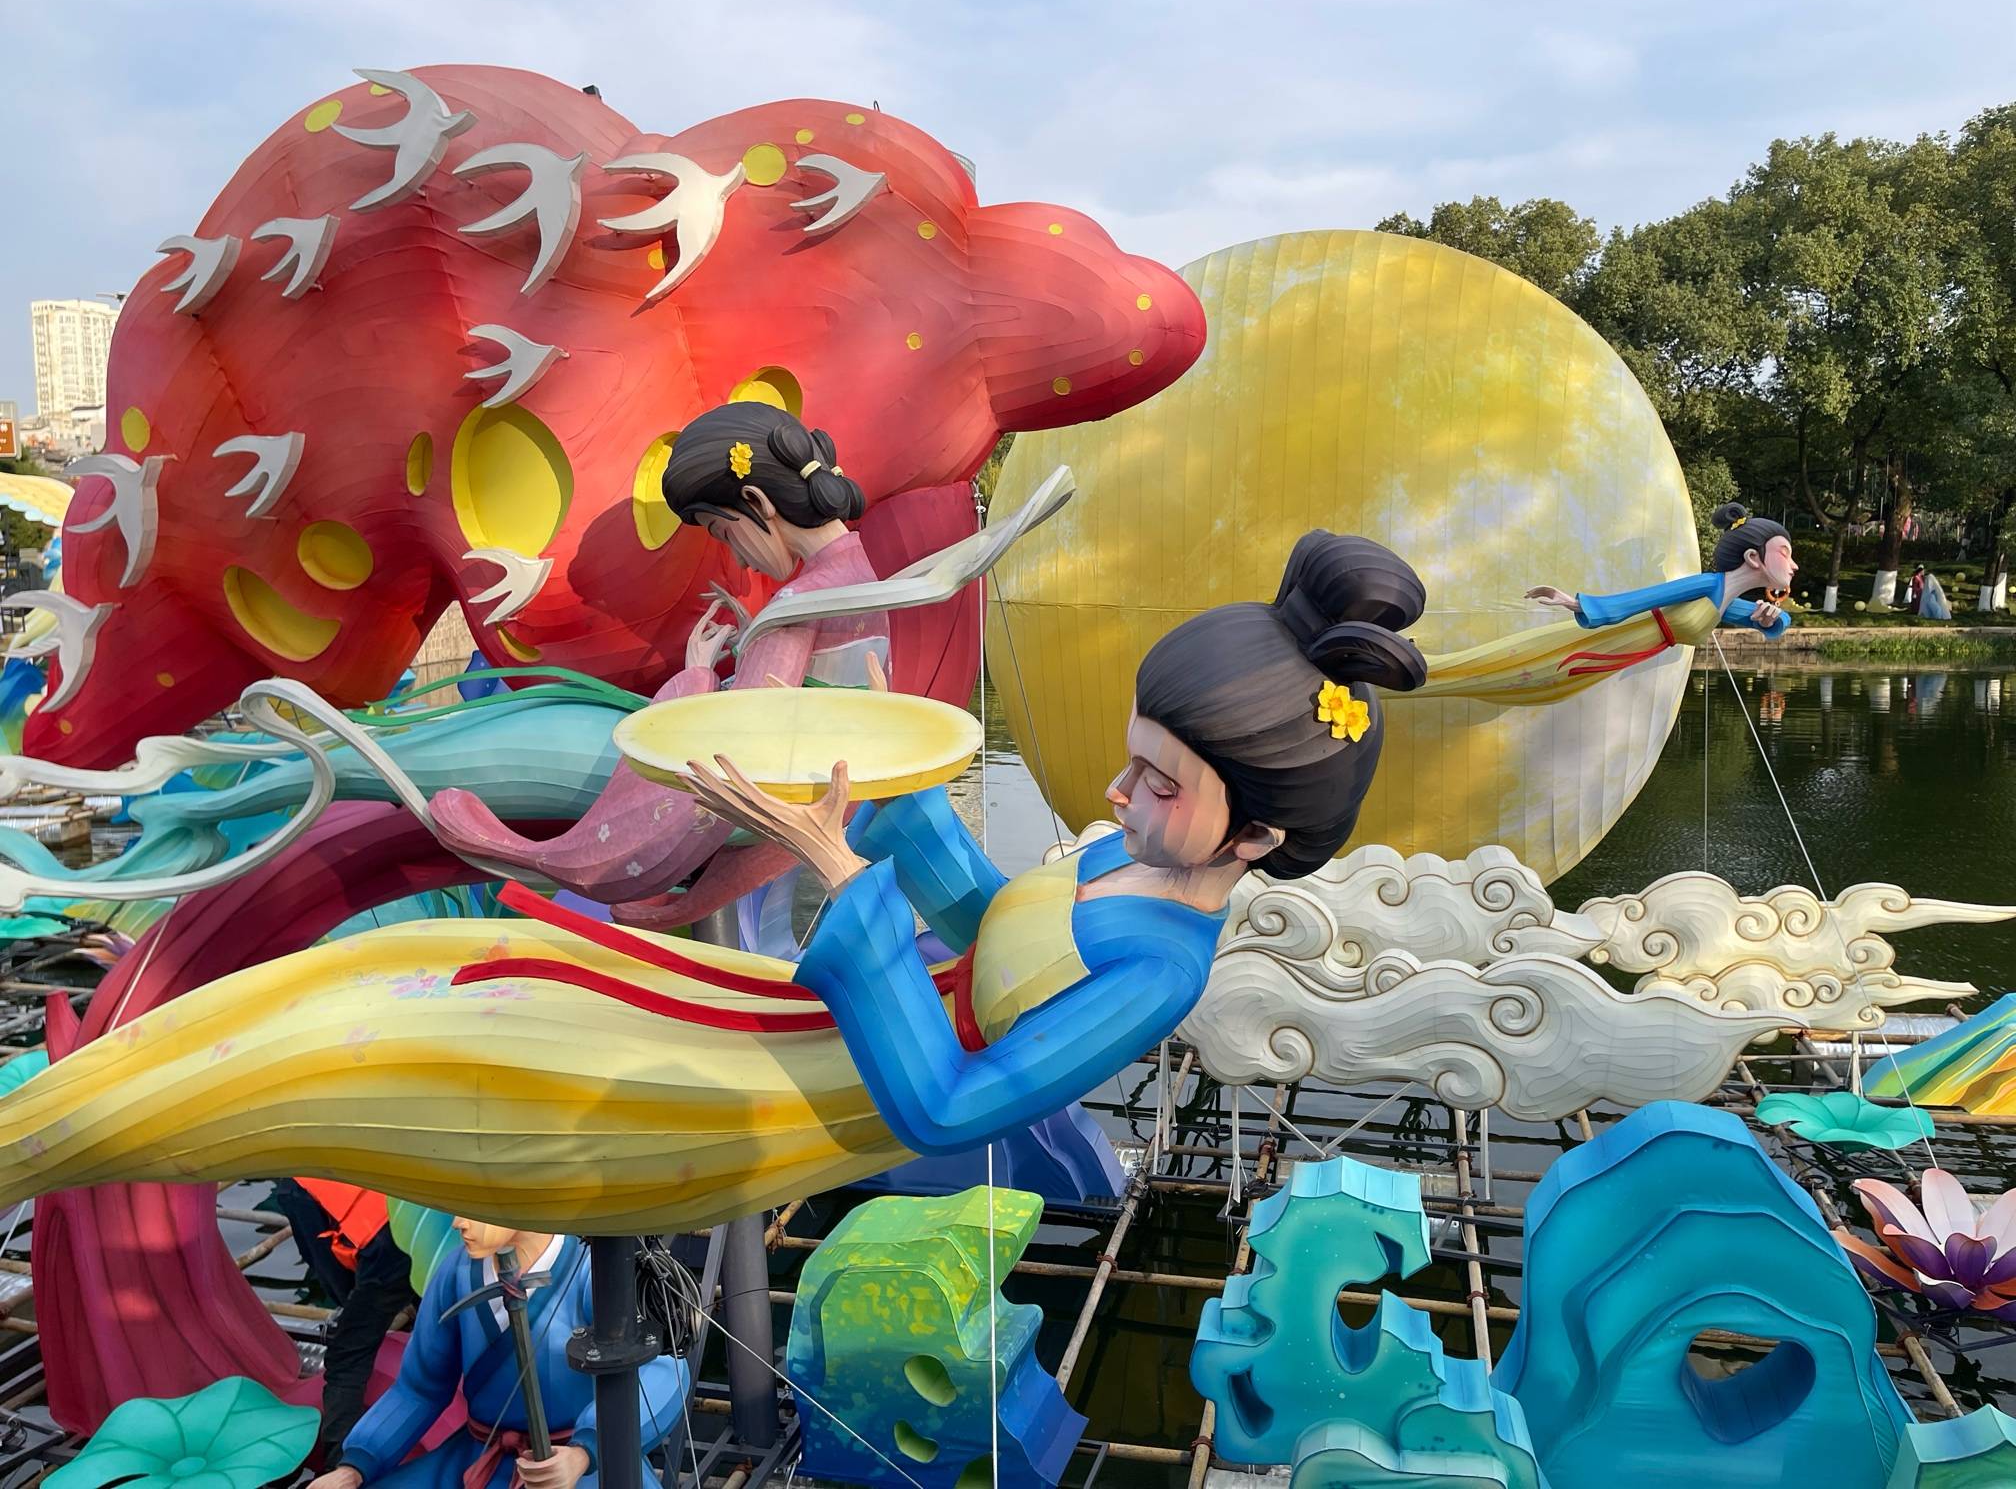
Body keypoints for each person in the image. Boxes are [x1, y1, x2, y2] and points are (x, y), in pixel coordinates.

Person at [0, 533, 1426, 1230]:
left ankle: (93, 1123)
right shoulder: (1125, 858)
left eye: (1159, 784)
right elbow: (998, 927)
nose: (1116, 798)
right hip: (812, 1019)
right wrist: (893, 812)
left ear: (1256, 839)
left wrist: (840, 880)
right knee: (498, 964)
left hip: (815, 1096)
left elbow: (945, 1106)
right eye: (1131, 762)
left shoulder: (1157, 975)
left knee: (459, 1043)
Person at [427, 401, 889, 903]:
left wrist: (696, 676)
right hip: (836, 771)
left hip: (771, 785)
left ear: (756, 501)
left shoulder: (798, 601)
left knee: (663, 711)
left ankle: (567, 856)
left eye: (724, 532)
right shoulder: (860, 572)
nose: (738, 558)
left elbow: (748, 724)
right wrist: (753, 636)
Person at [306, 1216, 687, 1489]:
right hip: (478, 1455)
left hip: (577, 1464)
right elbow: (419, 1389)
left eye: (473, 1208)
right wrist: (357, 1465)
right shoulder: (456, 1273)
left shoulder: (595, 1270)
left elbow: (664, 1368)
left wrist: (585, 1451)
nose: (457, 1222)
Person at [1402, 501, 1796, 707]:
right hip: (1608, 642)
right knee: (1514, 665)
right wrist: (1575, 603)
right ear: (1753, 558)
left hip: (1614, 657)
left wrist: (1771, 620)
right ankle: (1416, 666)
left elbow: (1773, 623)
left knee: (1525, 682)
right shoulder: (1707, 585)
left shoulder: (1725, 601)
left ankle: (1411, 674)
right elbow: (1644, 599)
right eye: (1785, 552)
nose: (1793, 565)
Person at [270, 1178, 420, 1458]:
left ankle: (339, 1462)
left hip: (387, 1247)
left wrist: (355, 1307)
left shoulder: (294, 1187)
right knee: (441, 1318)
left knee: (347, 1356)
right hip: (422, 1219)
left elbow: (330, 1273)